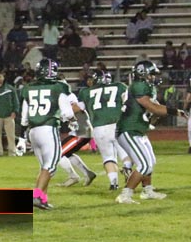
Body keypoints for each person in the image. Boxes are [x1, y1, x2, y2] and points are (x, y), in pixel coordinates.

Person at [115, 61, 186, 204]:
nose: (153, 77)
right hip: (129, 129)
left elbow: (154, 110)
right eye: (151, 74)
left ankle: (147, 191)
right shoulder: (139, 86)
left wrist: (153, 119)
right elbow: (152, 107)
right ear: (143, 74)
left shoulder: (146, 87)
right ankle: (125, 195)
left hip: (138, 129)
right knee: (144, 165)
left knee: (150, 162)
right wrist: (174, 111)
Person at [20, 59, 77, 210]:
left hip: (33, 131)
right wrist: (72, 121)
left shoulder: (28, 88)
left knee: (44, 168)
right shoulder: (58, 86)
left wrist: (21, 137)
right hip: (48, 129)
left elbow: (24, 118)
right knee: (51, 167)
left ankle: (42, 200)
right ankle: (36, 196)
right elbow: (67, 112)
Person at [76, 70, 132, 190]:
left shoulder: (86, 92)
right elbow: (129, 102)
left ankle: (113, 183)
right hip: (117, 124)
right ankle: (127, 167)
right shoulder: (119, 86)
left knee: (108, 157)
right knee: (125, 152)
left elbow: (77, 108)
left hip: (99, 128)